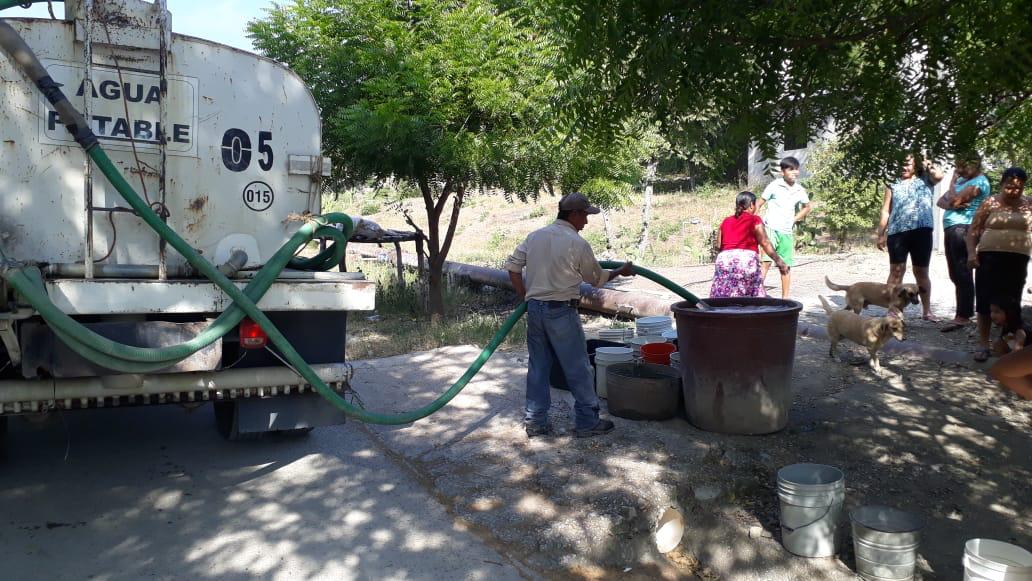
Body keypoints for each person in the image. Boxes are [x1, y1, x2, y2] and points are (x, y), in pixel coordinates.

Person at [504, 192, 635, 439]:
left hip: (536, 310)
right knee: (578, 368)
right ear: (573, 214)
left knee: (538, 367)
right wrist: (621, 270)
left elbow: (512, 268)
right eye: (584, 215)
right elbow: (596, 279)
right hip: (561, 311)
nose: (586, 221)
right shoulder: (577, 243)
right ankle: (587, 422)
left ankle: (536, 422)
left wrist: (526, 296)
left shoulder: (535, 236)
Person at [966, 167, 1030, 362]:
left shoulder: (1029, 204)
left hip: (1017, 259)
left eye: (1018, 188)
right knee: (985, 300)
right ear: (1001, 184)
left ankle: (1010, 344)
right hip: (989, 258)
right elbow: (973, 230)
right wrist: (971, 253)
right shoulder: (990, 202)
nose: (1013, 191)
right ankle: (983, 344)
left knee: (1011, 303)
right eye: (1009, 187)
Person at [876, 155, 944, 320]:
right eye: (901, 164)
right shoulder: (892, 183)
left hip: (922, 232)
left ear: (916, 165)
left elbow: (939, 175)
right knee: (896, 272)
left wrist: (926, 161)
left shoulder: (926, 179)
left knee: (921, 272)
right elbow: (886, 210)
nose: (903, 167)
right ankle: (893, 309)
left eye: (907, 164)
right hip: (897, 233)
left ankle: (927, 311)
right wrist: (881, 233)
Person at [937, 155, 992, 332]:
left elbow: (953, 200)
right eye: (958, 168)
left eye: (963, 167)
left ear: (975, 164)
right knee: (954, 273)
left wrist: (952, 183)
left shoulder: (979, 182)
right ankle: (962, 312)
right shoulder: (963, 181)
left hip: (964, 228)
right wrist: (952, 203)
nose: (960, 171)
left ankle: (964, 315)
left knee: (962, 272)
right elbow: (940, 202)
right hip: (952, 228)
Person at [710, 191, 789, 297]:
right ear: (751, 205)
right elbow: (765, 243)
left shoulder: (726, 221)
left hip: (724, 260)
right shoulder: (755, 220)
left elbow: (718, 245)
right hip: (746, 260)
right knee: (752, 299)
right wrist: (779, 261)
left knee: (724, 297)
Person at [758, 156, 812, 298]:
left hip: (786, 232)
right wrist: (753, 221)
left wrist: (794, 219)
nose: (794, 172)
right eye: (790, 169)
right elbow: (759, 202)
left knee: (785, 266)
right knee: (766, 262)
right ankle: (755, 295)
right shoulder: (774, 185)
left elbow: (807, 207)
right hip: (770, 229)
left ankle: (785, 299)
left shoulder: (799, 190)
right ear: (782, 172)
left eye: (796, 169)